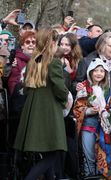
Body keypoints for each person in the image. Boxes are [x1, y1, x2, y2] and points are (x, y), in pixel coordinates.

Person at [13, 28, 68, 180]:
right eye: (56, 42)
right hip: (49, 110)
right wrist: (64, 100)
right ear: (51, 43)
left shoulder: (33, 60)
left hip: (34, 109)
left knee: (47, 152)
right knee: (53, 153)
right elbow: (60, 88)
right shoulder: (53, 62)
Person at [73, 58, 111, 178]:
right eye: (96, 70)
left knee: (102, 154)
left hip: (102, 128)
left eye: (101, 71)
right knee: (89, 154)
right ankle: (89, 175)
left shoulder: (107, 89)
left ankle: (100, 176)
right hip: (88, 127)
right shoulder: (84, 87)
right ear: (90, 71)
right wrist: (89, 111)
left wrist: (107, 110)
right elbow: (77, 109)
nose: (99, 73)